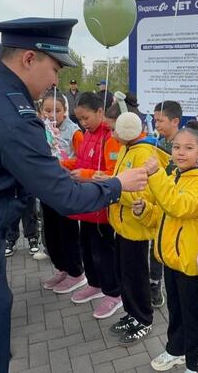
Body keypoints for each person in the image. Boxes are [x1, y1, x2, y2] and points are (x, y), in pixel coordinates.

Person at [0, 17, 148, 372]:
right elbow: (65, 197)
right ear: (29, 59)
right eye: (54, 69)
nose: (56, 82)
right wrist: (118, 184)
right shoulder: (12, 114)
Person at [137, 121, 198, 373]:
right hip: (170, 258)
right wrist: (145, 211)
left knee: (192, 316)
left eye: (189, 148)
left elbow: (180, 206)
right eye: (176, 147)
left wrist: (156, 175)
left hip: (190, 262)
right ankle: (176, 349)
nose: (181, 152)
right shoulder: (173, 175)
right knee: (176, 310)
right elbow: (162, 213)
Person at [57, 92, 124, 319]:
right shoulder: (87, 134)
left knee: (103, 253)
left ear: (100, 112)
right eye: (79, 119)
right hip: (85, 206)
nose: (83, 123)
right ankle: (95, 283)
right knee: (86, 248)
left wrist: (84, 174)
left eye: (86, 118)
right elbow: (82, 161)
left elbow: (114, 174)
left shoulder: (111, 137)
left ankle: (114, 293)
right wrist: (63, 164)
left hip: (101, 208)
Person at [106, 111, 170, 345]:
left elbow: (142, 195)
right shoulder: (127, 149)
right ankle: (131, 313)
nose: (112, 134)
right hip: (122, 227)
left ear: (126, 133)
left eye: (115, 130)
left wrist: (113, 190)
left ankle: (144, 318)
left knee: (136, 276)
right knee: (124, 274)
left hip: (135, 228)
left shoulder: (143, 153)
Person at [39, 91, 86, 293]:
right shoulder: (39, 128)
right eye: (47, 110)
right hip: (46, 187)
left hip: (65, 189)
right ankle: (61, 268)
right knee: (51, 232)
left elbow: (83, 160)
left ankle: (76, 272)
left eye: (57, 111)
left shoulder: (74, 132)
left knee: (67, 232)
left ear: (65, 111)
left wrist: (61, 163)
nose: (52, 115)